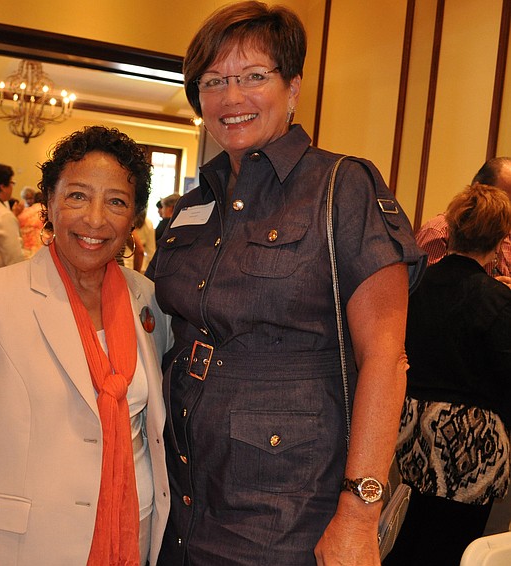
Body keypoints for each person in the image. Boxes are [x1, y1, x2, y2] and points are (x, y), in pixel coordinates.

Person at [147, 3, 426, 564]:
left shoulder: (341, 187)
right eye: (213, 82)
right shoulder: (194, 206)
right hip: (181, 496)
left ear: (293, 87)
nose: (231, 97)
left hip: (290, 511)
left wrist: (358, 514)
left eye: (253, 76)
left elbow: (385, 357)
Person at [0, 126, 171, 565]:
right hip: (26, 548)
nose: (94, 219)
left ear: (134, 218)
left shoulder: (149, 301)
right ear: (49, 205)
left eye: (116, 202)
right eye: (77, 196)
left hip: (132, 538)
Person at [384, 183, 511, 566]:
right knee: (454, 549)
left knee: (406, 538)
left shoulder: (413, 286)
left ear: (452, 228)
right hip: (469, 442)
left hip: (408, 431)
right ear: (499, 239)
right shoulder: (497, 300)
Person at [416, 157, 511, 280]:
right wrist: (490, 288)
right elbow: (428, 287)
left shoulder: (506, 233)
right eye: (505, 199)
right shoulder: (437, 232)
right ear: (478, 190)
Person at [18, 189, 44, 258]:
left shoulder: (37, 209)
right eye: (26, 199)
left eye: (30, 198)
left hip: (30, 246)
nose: (29, 201)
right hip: (34, 244)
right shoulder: (22, 210)